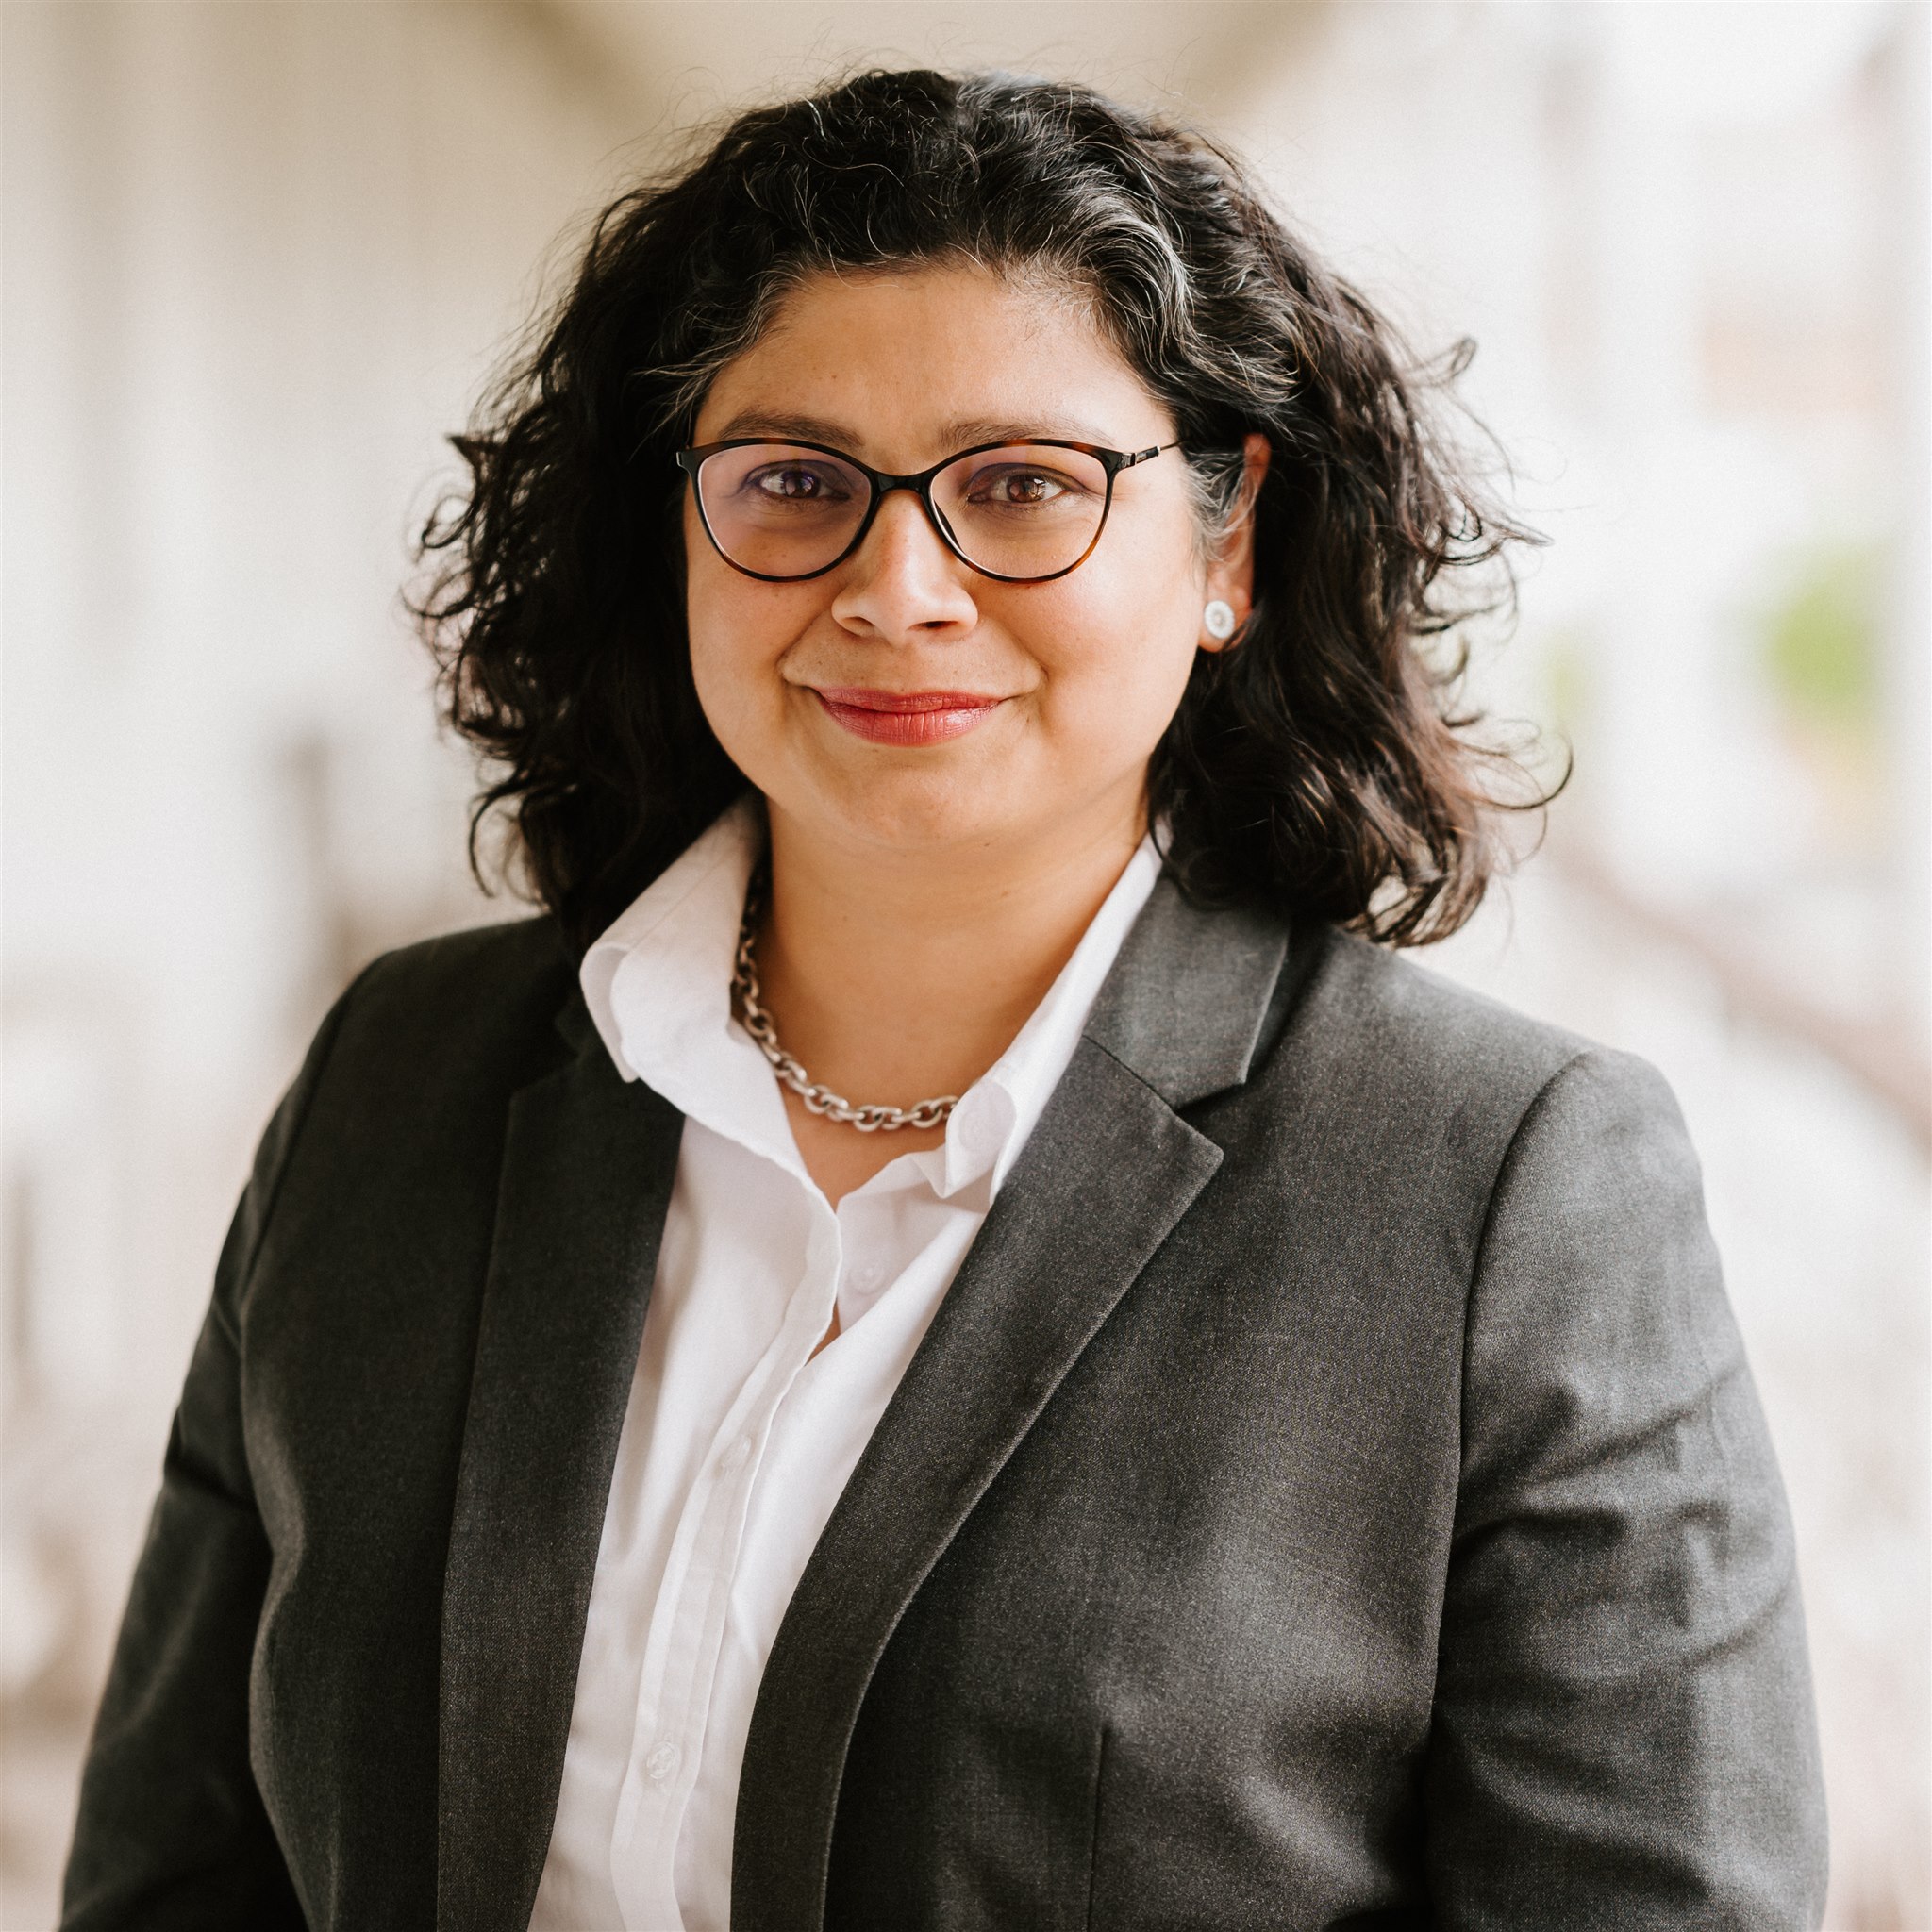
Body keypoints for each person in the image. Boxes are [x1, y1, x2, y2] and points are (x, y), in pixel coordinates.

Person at [61, 68, 1826, 1932]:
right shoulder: (398, 1076)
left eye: (1021, 487)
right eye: (796, 482)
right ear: (678, 533)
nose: (899, 585)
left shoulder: (1505, 1189)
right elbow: (175, 1873)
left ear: (1224, 545)